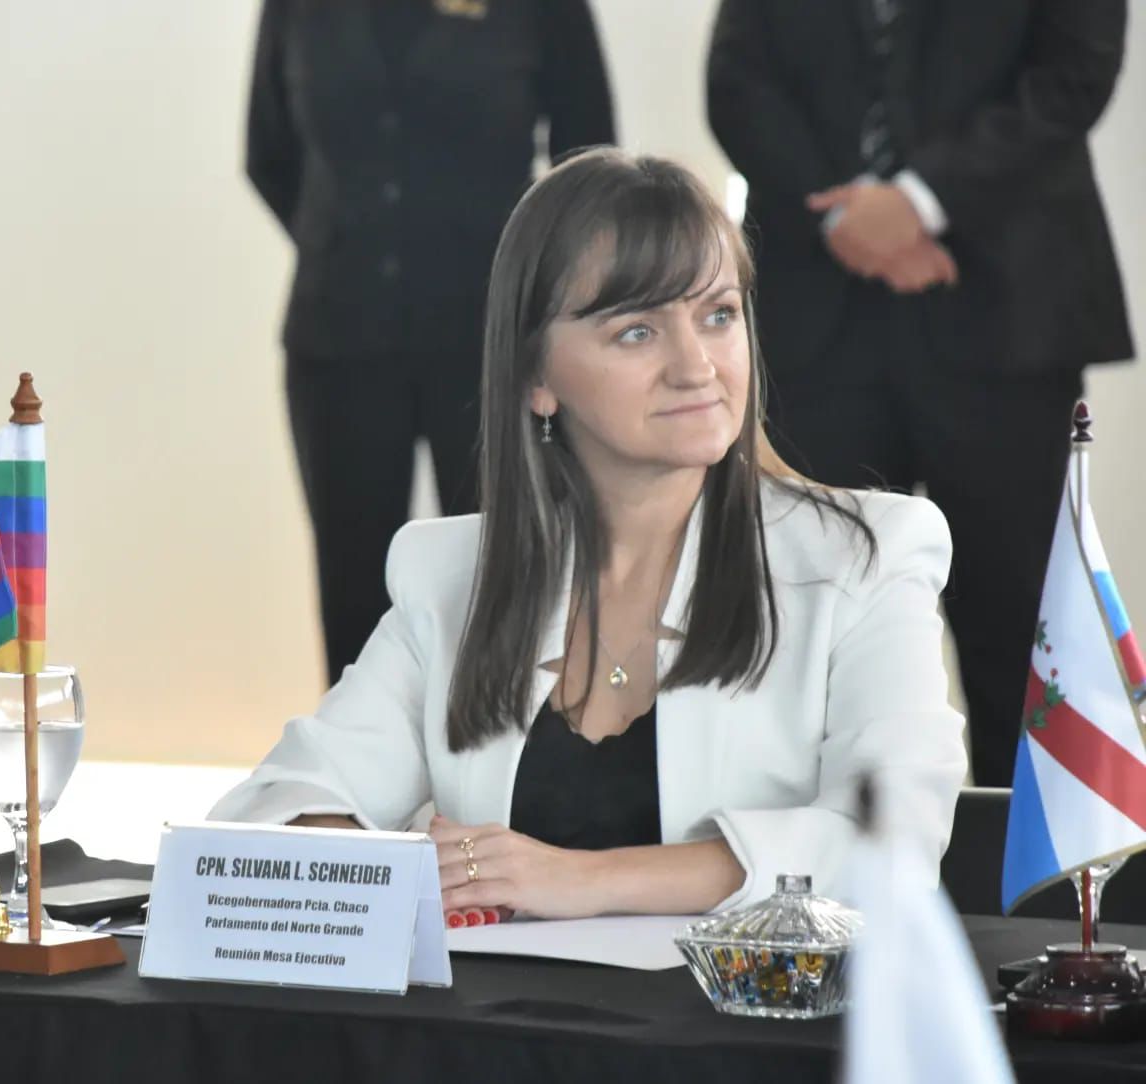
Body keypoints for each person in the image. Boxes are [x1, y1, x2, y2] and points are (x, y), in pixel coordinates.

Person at [211, 151, 966, 917]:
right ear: (538, 379)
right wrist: (395, 877)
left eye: (718, 315)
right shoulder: (448, 573)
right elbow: (273, 812)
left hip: (740, 1032)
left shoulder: (868, 555)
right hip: (498, 1032)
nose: (696, 366)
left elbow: (893, 844)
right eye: (637, 332)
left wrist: (577, 880)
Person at [706, 1, 1134, 786]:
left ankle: (1032, 894)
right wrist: (844, 221)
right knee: (809, 626)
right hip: (817, 321)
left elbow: (1074, 70)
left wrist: (916, 201)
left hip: (1005, 311)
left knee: (1021, 630)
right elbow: (736, 80)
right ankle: (811, 891)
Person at [246, 0, 616, 684]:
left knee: (504, 579)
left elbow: (587, 157)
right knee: (352, 586)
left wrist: (532, 282)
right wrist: (346, 241)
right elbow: (267, 153)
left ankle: (501, 781)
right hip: (339, 336)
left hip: (491, 343)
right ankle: (361, 784)